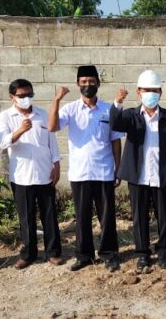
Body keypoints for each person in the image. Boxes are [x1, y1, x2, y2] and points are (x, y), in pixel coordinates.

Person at [48, 65, 123, 272]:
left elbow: (116, 141)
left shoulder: (109, 109)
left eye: (91, 82)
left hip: (104, 171)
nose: (88, 85)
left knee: (107, 217)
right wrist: (56, 100)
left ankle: (109, 253)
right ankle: (84, 256)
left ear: (98, 83)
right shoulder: (70, 109)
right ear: (78, 85)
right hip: (80, 173)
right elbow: (52, 127)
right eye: (83, 82)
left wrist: (118, 168)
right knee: (82, 217)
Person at [110, 69, 166, 271]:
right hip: (138, 177)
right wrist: (117, 103)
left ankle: (163, 252)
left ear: (161, 92)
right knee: (139, 217)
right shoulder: (131, 116)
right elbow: (115, 123)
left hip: (161, 177)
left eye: (155, 90)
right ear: (138, 92)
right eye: (146, 90)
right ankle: (142, 253)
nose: (151, 93)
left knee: (164, 216)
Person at [0, 79, 63, 270]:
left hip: (44, 172)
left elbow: (52, 141)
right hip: (21, 176)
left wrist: (56, 164)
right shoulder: (5, 117)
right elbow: (2, 143)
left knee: (49, 215)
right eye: (21, 95)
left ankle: (53, 252)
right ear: (12, 97)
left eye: (29, 95)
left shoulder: (42, 115)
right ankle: (28, 254)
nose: (26, 99)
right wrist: (19, 131)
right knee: (26, 217)